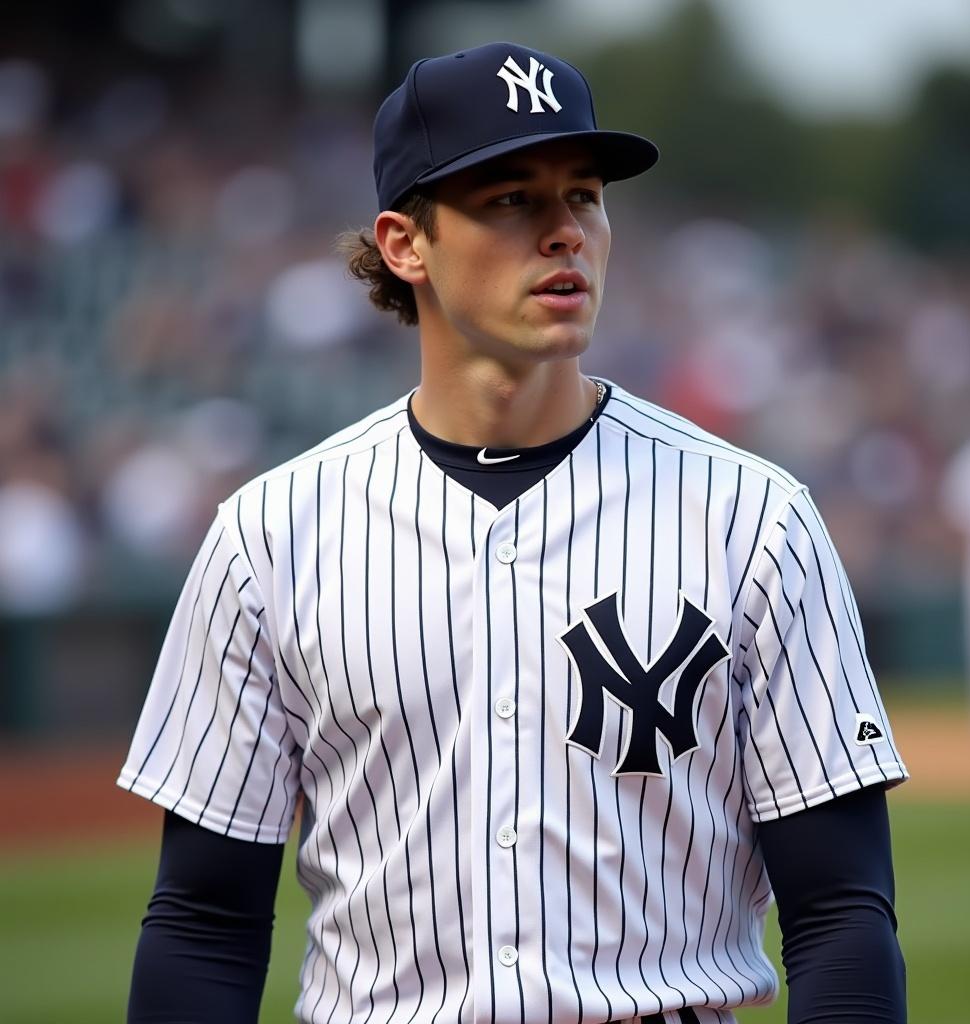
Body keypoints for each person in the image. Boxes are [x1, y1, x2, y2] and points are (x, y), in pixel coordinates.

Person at [119, 42, 909, 1024]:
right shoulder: (270, 536)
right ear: (406, 244)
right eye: (509, 200)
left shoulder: (752, 517)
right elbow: (203, 921)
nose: (564, 232)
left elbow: (840, 913)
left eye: (582, 195)